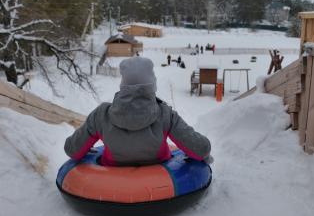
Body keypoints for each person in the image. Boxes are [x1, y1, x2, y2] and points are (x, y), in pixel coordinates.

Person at [64, 57, 212, 166]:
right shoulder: (166, 114)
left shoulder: (100, 115)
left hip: (112, 184)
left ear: (123, 84)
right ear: (152, 84)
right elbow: (201, 148)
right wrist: (202, 155)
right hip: (159, 185)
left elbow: (72, 149)